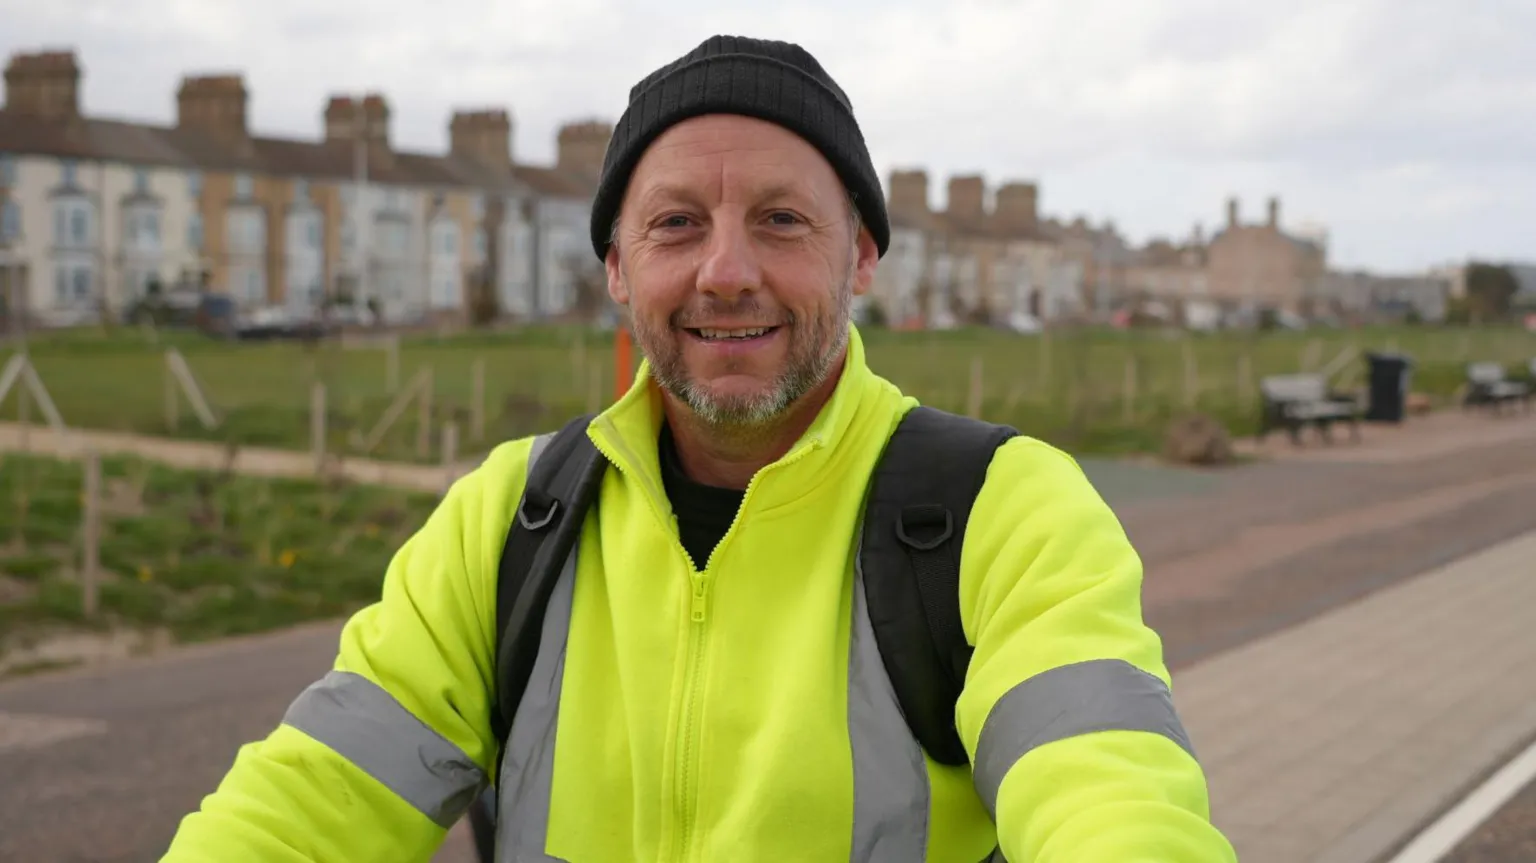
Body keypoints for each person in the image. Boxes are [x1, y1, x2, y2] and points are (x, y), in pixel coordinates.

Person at [162, 35, 1236, 862]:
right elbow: (309, 798)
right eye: (677, 224)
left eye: (780, 220)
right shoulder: (509, 519)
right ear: (618, 269)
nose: (726, 270)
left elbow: (1112, 790)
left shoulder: (1005, 508)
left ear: (860, 253)